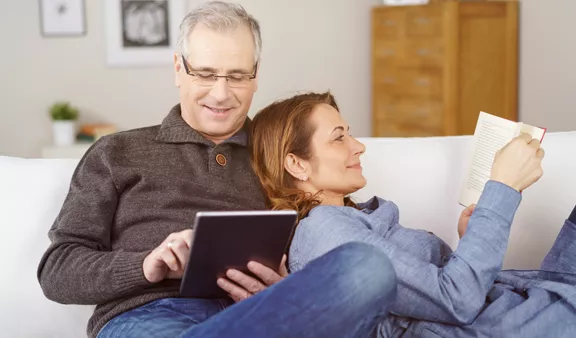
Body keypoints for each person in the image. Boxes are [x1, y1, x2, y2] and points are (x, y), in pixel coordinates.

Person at [36, 2, 398, 338]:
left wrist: (290, 286)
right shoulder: (116, 152)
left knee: (368, 267)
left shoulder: (282, 154)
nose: (222, 94)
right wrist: (147, 265)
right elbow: (58, 271)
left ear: (256, 76)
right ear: (179, 69)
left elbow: (330, 226)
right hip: (148, 317)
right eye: (206, 74)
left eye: (237, 76)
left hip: (265, 315)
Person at [250, 91, 576, 338]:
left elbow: (433, 294)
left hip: (532, 300)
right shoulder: (323, 232)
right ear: (296, 163)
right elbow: (457, 299)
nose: (358, 146)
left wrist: (470, 239)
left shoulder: (350, 219)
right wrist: (502, 187)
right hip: (523, 323)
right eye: (339, 138)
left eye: (349, 133)